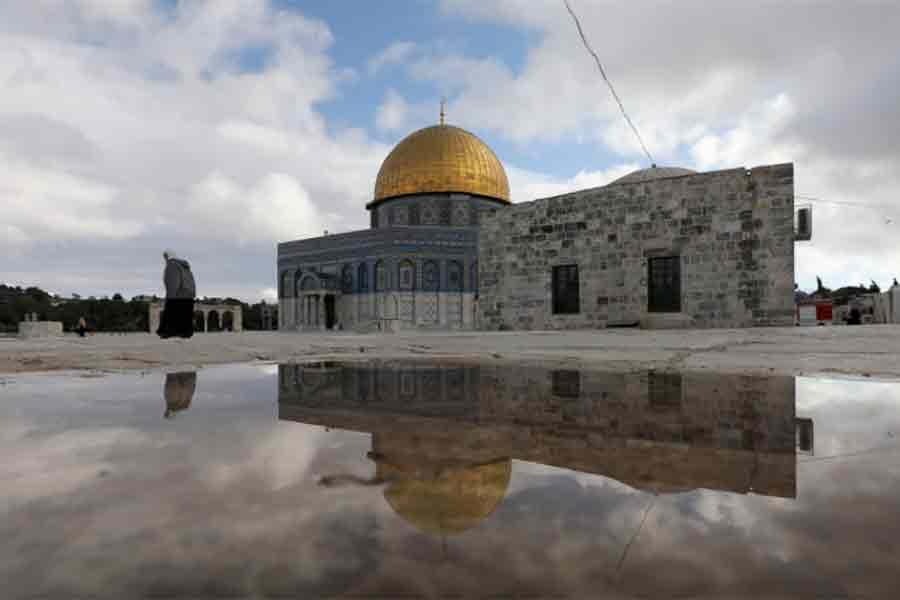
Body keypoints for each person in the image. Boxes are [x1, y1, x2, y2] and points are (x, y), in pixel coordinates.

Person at [157, 249, 196, 339]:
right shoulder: (185, 267)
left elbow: (173, 282)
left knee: (170, 313)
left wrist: (170, 296)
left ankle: (167, 333)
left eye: (165, 257)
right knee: (185, 315)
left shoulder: (172, 265)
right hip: (189, 295)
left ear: (167, 257)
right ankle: (186, 333)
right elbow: (191, 282)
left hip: (178, 294)